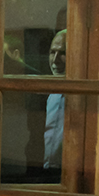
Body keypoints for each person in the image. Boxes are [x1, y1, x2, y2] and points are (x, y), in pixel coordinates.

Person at [43, 29, 66, 175]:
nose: (55, 59)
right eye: (52, 52)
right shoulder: (52, 92)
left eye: (63, 53)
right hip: (48, 171)